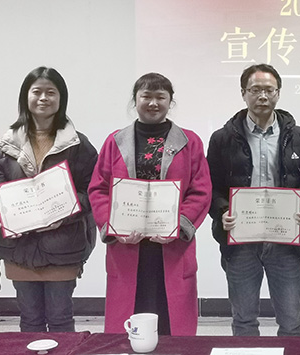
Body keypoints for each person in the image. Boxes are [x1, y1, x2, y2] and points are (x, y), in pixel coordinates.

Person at [89, 73, 211, 336]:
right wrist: (113, 227)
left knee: (171, 319)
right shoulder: (115, 141)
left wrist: (177, 226)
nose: (153, 103)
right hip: (127, 244)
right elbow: (98, 188)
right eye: (146, 96)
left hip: (172, 245)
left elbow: (200, 190)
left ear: (170, 102)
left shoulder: (189, 142)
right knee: (129, 318)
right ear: (135, 100)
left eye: (160, 97)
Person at [0, 67, 98, 332]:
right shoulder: (5, 146)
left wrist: (64, 214)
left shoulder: (79, 145)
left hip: (63, 246)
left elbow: (92, 189)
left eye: (51, 92)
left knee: (60, 319)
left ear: (61, 98)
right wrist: (0, 217)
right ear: (26, 96)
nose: (43, 98)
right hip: (19, 248)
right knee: (30, 320)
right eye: (37, 92)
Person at [207, 64, 300, 336]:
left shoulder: (298, 136)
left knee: (292, 321)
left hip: (284, 240)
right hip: (240, 241)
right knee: (244, 320)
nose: (262, 96)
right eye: (255, 90)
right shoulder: (222, 138)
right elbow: (211, 187)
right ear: (243, 93)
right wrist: (222, 211)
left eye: (268, 90)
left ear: (278, 93)